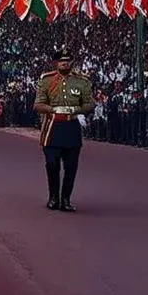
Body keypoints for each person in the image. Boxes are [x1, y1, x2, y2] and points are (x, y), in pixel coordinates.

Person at [33, 48, 94, 212]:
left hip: (71, 126)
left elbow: (89, 104)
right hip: (52, 126)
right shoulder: (47, 80)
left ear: (71, 62)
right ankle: (53, 197)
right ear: (57, 63)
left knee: (71, 166)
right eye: (61, 61)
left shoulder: (82, 81)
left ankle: (66, 199)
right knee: (52, 164)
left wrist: (76, 110)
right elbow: (38, 104)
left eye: (67, 61)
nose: (64, 63)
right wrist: (52, 110)